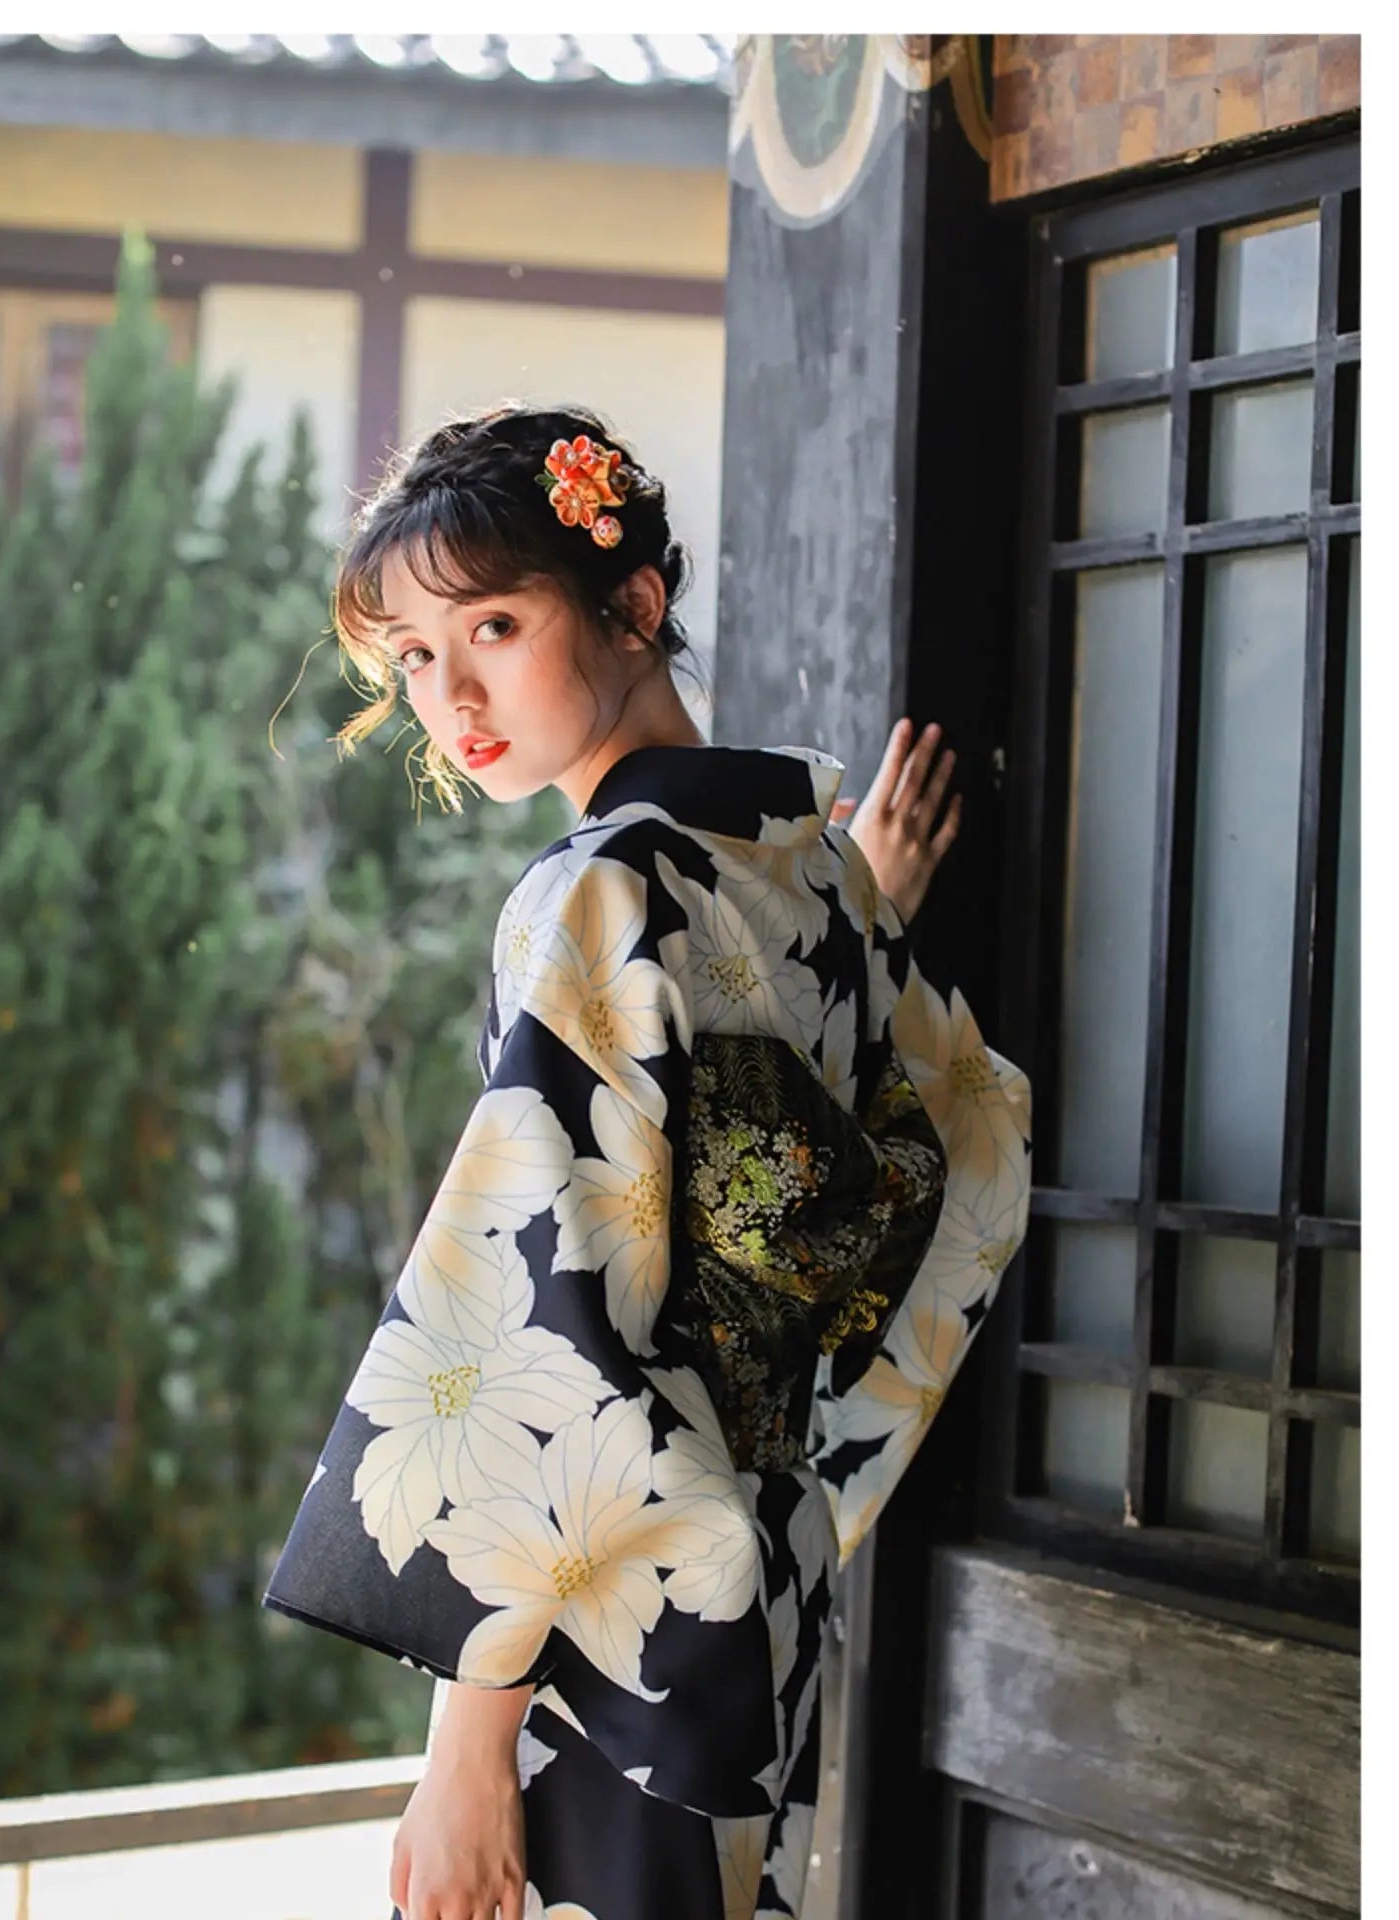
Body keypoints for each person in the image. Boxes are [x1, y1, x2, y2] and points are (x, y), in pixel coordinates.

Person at [262, 403, 1033, 1920]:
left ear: (633, 604)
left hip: (598, 1651)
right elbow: (970, 1143)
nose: (452, 694)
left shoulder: (597, 895)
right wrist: (865, 916)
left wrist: (467, 1755)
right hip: (753, 1601)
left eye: (493, 622)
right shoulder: (803, 866)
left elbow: (543, 1323)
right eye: (414, 657)